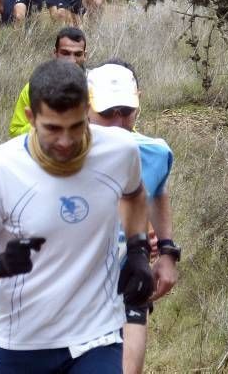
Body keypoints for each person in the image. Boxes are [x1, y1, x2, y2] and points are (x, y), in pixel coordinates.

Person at [0, 59, 153, 374]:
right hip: (26, 339)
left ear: (88, 110)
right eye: (53, 129)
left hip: (97, 330)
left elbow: (134, 195)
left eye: (76, 126)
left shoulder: (120, 150)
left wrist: (139, 251)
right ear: (31, 117)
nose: (65, 141)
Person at [86, 61, 179, 374]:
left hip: (128, 280)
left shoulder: (155, 152)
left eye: (126, 110)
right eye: (107, 112)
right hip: (71, 286)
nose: (118, 121)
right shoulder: (58, 153)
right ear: (86, 106)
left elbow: (159, 192)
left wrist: (167, 252)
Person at [9, 27, 87, 138]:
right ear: (55, 53)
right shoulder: (35, 87)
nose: (72, 60)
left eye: (78, 54)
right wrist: (46, 122)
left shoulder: (96, 86)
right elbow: (15, 132)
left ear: (85, 56)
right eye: (65, 53)